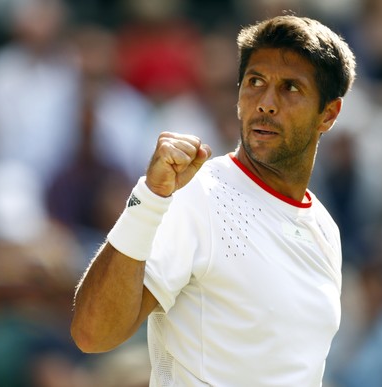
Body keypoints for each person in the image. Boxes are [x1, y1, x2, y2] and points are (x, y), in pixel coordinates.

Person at [71, 14, 356, 386]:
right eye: (255, 82)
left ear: (328, 114)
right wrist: (150, 199)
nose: (266, 103)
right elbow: (93, 332)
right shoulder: (196, 195)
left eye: (290, 88)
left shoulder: (324, 228)